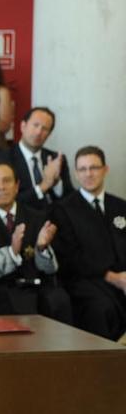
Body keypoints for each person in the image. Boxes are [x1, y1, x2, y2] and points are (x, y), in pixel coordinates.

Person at [0, 161, 72, 323]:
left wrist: (42, 248)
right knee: (20, 306)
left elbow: (51, 270)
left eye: (7, 181)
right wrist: (11, 253)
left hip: (36, 284)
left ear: (17, 185)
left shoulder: (37, 217)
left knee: (59, 299)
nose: (2, 187)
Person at [52, 146, 126, 340]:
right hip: (86, 280)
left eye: (94, 167)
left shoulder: (121, 206)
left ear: (105, 169)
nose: (89, 174)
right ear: (76, 173)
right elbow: (69, 257)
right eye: (82, 169)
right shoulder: (63, 209)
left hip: (123, 278)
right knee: (102, 308)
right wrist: (112, 277)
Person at [8, 106, 74, 212]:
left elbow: (70, 198)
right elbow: (7, 200)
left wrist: (56, 182)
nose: (39, 132)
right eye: (35, 125)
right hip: (22, 219)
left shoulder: (56, 158)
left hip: (54, 220)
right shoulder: (5, 159)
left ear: (49, 134)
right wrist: (43, 186)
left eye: (45, 129)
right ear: (23, 126)